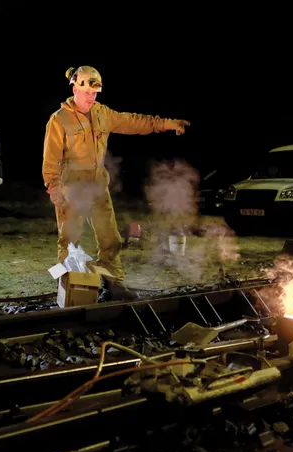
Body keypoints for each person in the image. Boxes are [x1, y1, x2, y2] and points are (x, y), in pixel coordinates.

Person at [42, 65, 191, 293]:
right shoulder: (59, 119)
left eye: (95, 93)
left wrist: (165, 123)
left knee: (110, 239)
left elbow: (133, 122)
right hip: (71, 189)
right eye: (87, 93)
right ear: (75, 88)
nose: (91, 97)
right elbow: (50, 157)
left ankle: (113, 285)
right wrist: (53, 187)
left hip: (98, 187)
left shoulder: (103, 114)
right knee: (69, 242)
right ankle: (71, 290)